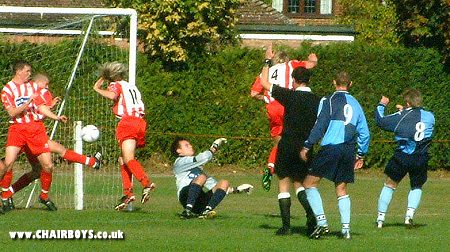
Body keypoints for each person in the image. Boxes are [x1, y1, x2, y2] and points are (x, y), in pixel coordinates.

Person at [0, 73, 102, 212]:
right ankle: (91, 162)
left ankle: (9, 193)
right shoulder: (33, 91)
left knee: (39, 169)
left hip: (32, 134)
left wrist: (51, 107)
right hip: (27, 133)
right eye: (45, 84)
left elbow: (40, 109)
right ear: (38, 82)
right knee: (58, 152)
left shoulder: (38, 93)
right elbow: (33, 109)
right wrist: (52, 113)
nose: (47, 87)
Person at [300, 71, 370, 240]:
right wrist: (360, 155)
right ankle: (345, 230)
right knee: (341, 188)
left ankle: (322, 223)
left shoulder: (329, 100)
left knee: (309, 183)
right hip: (348, 150)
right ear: (350, 84)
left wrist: (307, 145)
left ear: (334, 82)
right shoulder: (356, 104)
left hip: (331, 148)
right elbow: (365, 133)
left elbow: (320, 125)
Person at [260, 45, 321, 236]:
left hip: (287, 144)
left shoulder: (289, 95)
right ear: (309, 80)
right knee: (300, 183)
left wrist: (267, 60)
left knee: (284, 182)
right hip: (305, 147)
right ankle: (311, 215)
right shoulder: (318, 100)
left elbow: (264, 82)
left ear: (294, 81)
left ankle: (286, 226)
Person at [251, 51, 318, 191]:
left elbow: (254, 93)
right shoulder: (291, 64)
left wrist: (266, 98)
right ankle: (292, 168)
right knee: (291, 139)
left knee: (278, 142)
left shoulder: (267, 71)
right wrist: (313, 60)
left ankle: (270, 167)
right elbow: (309, 66)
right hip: (288, 103)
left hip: (272, 107)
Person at [0, 61, 62, 211]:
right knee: (8, 163)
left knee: (47, 166)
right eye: (27, 71)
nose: (29, 74)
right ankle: (4, 196)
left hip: (35, 129)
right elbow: (12, 112)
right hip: (17, 129)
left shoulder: (33, 86)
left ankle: (44, 196)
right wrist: (28, 101)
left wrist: (54, 115)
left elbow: (41, 105)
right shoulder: (7, 90)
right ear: (19, 71)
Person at [93, 61, 155, 211]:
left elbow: (112, 95)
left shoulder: (116, 85)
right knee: (122, 159)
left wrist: (96, 88)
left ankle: (146, 183)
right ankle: (128, 194)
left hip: (127, 122)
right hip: (139, 122)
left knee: (128, 158)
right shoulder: (131, 86)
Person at [374, 88, 435, 228]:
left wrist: (382, 105)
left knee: (390, 184)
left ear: (407, 102)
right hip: (421, 157)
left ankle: (380, 218)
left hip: (402, 156)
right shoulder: (431, 116)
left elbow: (381, 121)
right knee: (416, 186)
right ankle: (409, 217)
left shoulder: (401, 116)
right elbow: (416, 121)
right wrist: (405, 111)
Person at [170, 137, 254, 219]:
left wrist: (238, 189)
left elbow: (216, 187)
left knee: (224, 183)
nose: (191, 146)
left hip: (199, 203)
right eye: (186, 145)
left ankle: (206, 211)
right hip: (185, 196)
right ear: (179, 151)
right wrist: (214, 147)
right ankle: (187, 210)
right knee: (202, 177)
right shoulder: (179, 162)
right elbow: (204, 158)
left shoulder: (198, 169)